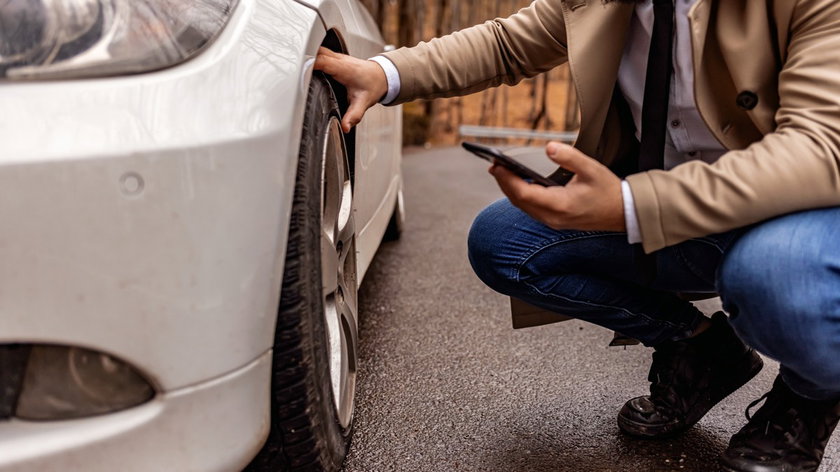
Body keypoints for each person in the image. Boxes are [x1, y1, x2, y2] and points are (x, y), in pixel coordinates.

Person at [313, 1, 840, 470]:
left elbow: (821, 148)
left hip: (796, 216)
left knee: (774, 278)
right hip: (673, 217)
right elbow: (503, 43)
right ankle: (700, 351)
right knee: (504, 243)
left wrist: (633, 205)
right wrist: (384, 72)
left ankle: (809, 395)